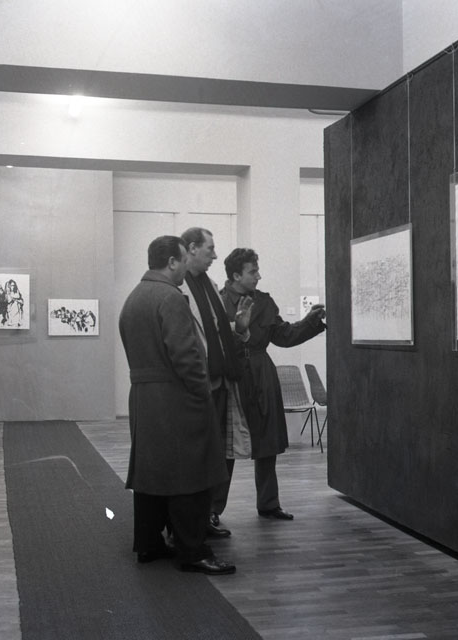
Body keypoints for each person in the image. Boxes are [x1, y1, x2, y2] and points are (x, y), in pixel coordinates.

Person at [119, 235, 235, 575]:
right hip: (176, 398)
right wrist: (202, 393)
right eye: (183, 259)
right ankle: (192, 550)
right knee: (190, 475)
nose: (186, 266)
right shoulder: (170, 297)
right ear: (171, 262)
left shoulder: (134, 297)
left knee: (152, 475)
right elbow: (186, 356)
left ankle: (149, 544)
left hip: (144, 399)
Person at [220, 248, 326, 520]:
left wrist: (309, 322)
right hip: (232, 374)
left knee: (267, 440)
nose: (259, 276)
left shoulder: (264, 302)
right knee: (227, 443)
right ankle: (212, 511)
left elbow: (283, 336)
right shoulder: (217, 302)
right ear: (236, 275)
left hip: (261, 373)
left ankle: (268, 504)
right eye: (253, 271)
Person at [180, 227, 253, 537]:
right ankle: (193, 518)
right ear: (192, 248)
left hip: (222, 382)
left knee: (224, 452)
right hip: (199, 386)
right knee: (200, 454)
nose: (214, 255)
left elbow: (218, 335)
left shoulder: (209, 285)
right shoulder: (178, 287)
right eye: (210, 248)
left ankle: (212, 512)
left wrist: (240, 328)